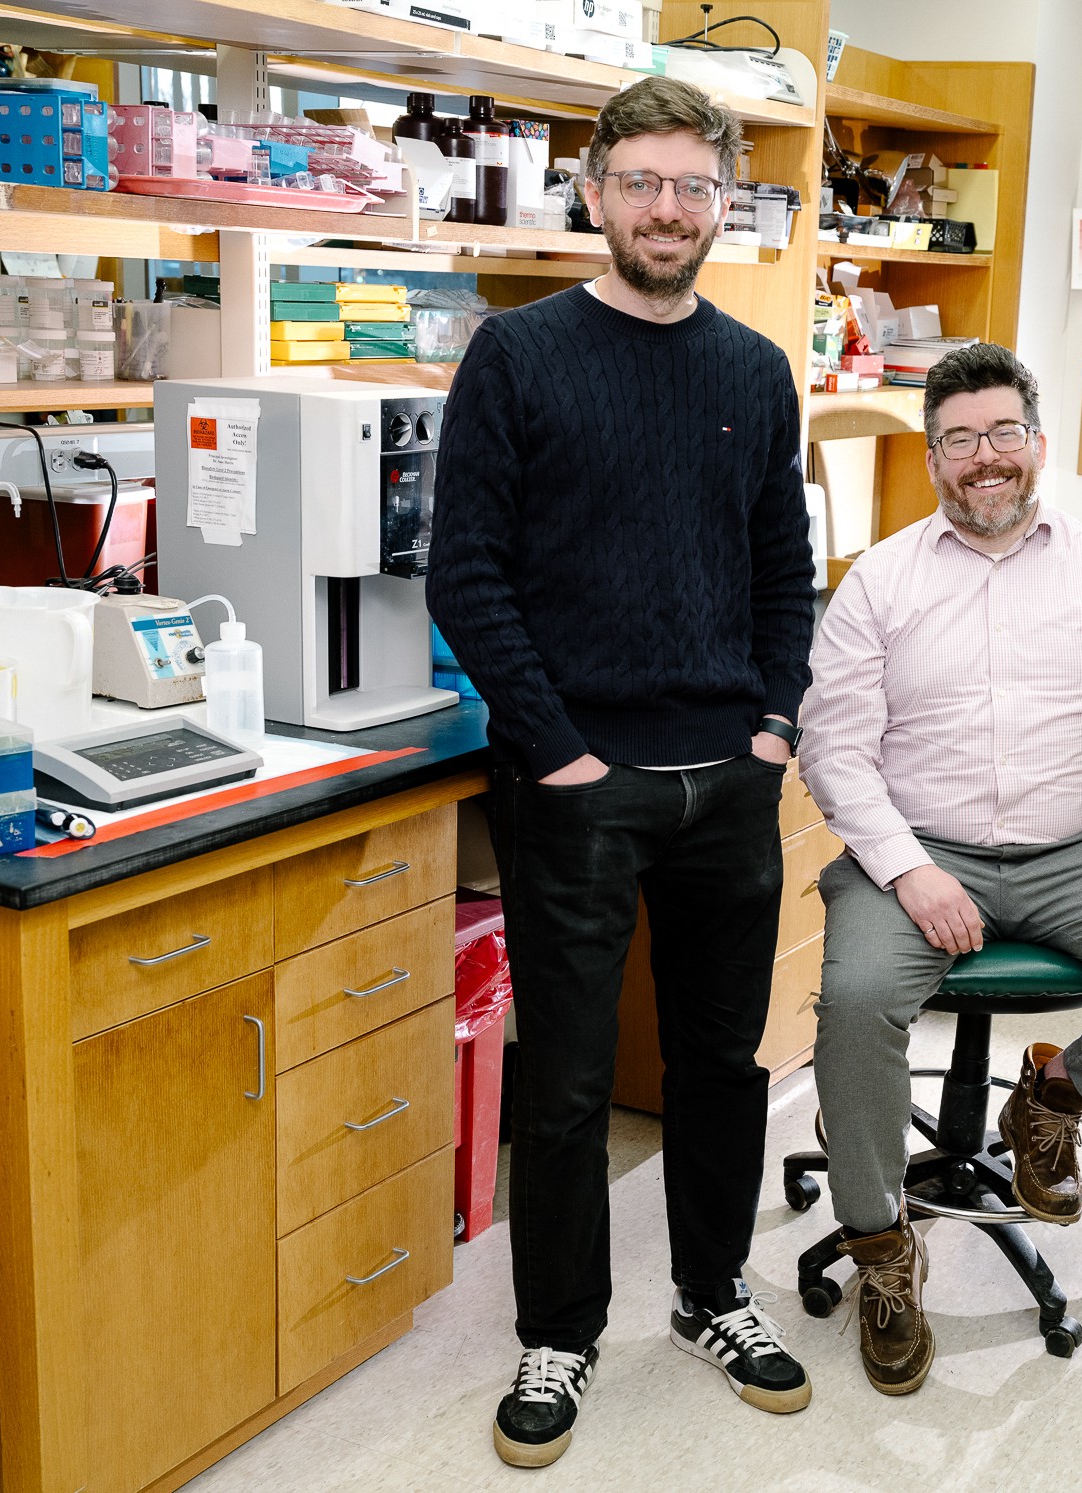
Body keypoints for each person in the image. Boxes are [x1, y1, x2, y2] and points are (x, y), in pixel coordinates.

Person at [426, 76, 817, 1468]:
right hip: (578, 787)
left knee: (720, 1060)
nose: (666, 210)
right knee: (569, 1082)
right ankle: (560, 1333)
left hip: (730, 776)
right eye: (640, 183)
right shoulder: (517, 359)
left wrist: (773, 725)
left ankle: (714, 1295)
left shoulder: (752, 370)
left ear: (724, 204)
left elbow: (786, 568)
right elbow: (466, 577)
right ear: (592, 195)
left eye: (692, 187)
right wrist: (563, 752)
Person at [798, 342, 1082, 1397]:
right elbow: (834, 747)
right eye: (960, 440)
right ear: (934, 461)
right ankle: (881, 1253)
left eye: (1004, 432)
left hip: (1070, 851)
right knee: (858, 999)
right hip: (915, 851)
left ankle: (1053, 1094)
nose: (986, 457)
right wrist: (911, 871)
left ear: (1037, 445)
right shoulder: (884, 577)